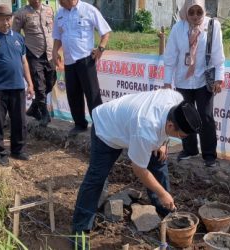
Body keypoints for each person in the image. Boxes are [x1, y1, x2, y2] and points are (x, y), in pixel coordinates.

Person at [70, 89, 201, 249]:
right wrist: (163, 193)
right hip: (107, 129)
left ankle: (166, 212)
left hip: (132, 125)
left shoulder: (176, 99)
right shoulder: (145, 130)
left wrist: (163, 143)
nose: (182, 139)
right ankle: (79, 230)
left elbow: (163, 126)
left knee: (159, 162)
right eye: (181, 136)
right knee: (96, 179)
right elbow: (139, 169)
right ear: (170, 125)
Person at [163, 0, 224, 167]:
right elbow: (170, 58)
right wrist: (167, 82)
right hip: (183, 79)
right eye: (192, 12)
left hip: (204, 80)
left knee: (205, 116)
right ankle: (189, 149)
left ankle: (209, 154)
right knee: (184, 115)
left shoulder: (213, 26)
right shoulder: (178, 28)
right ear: (186, 12)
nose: (196, 16)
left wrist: (219, 78)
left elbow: (218, 55)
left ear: (204, 11)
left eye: (199, 12)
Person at [0, 4, 35, 166]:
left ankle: (18, 150)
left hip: (18, 86)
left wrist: (30, 84)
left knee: (20, 120)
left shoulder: (18, 38)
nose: (6, 23)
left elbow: (24, 62)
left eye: (8, 19)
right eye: (2, 19)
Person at [52, 0, 111, 136]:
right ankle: (79, 124)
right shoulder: (60, 13)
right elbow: (57, 35)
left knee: (92, 93)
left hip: (85, 58)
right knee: (73, 94)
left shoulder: (88, 10)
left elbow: (105, 31)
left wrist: (101, 48)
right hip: (69, 60)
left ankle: (100, 125)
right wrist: (55, 51)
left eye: (61, 0)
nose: (60, 3)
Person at [13, 0, 56, 127]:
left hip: (49, 54)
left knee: (50, 82)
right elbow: (15, 35)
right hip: (33, 54)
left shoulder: (49, 10)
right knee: (39, 84)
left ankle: (33, 107)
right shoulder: (22, 13)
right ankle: (44, 113)